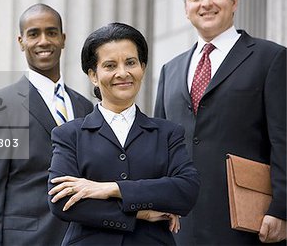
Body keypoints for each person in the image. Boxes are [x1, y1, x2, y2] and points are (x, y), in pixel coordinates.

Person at [154, 0, 286, 245]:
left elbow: (284, 140)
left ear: (234, 0)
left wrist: (282, 209)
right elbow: (160, 147)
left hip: (249, 224)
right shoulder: (170, 70)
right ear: (185, 8)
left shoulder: (271, 59)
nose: (206, 3)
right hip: (181, 226)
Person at [47, 22, 200, 245]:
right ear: (93, 75)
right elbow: (62, 201)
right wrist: (141, 212)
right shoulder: (69, 135)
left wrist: (111, 189)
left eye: (130, 62)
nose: (122, 73)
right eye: (110, 65)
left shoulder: (168, 133)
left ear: (142, 68)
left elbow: (186, 190)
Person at [0, 3, 93, 246]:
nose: (44, 41)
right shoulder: (0, 106)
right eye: (34, 34)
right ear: (21, 42)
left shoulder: (86, 108)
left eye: (51, 32)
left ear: (63, 38)